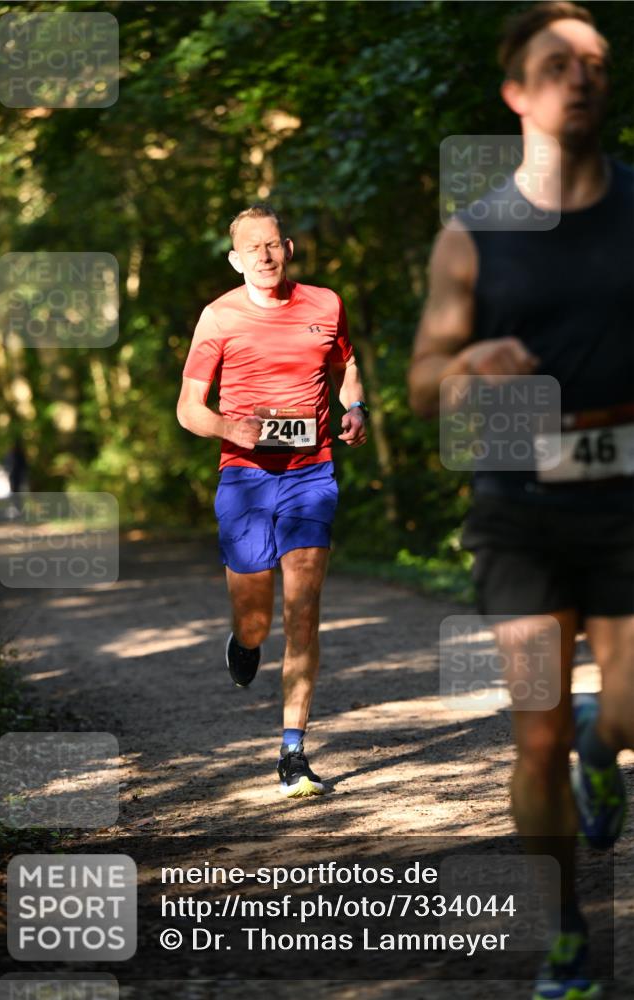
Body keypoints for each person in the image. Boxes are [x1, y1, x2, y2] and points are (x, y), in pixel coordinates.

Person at [409, 4, 633, 999]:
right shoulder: (472, 237)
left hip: (627, 495)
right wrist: (470, 361)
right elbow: (421, 385)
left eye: (594, 60)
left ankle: (605, 746)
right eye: (557, 63)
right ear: (517, 93)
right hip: (517, 505)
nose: (580, 76)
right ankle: (567, 932)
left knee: (622, 713)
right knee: (531, 732)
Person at [177, 204, 368, 797]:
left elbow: (347, 363)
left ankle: (293, 753)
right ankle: (244, 639)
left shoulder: (324, 304)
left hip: (311, 474)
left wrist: (354, 406)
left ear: (287, 248)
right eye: (250, 248)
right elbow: (189, 409)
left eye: (272, 245)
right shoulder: (218, 318)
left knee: (303, 611)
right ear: (235, 260)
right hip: (245, 478)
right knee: (258, 619)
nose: (263, 256)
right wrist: (229, 428)